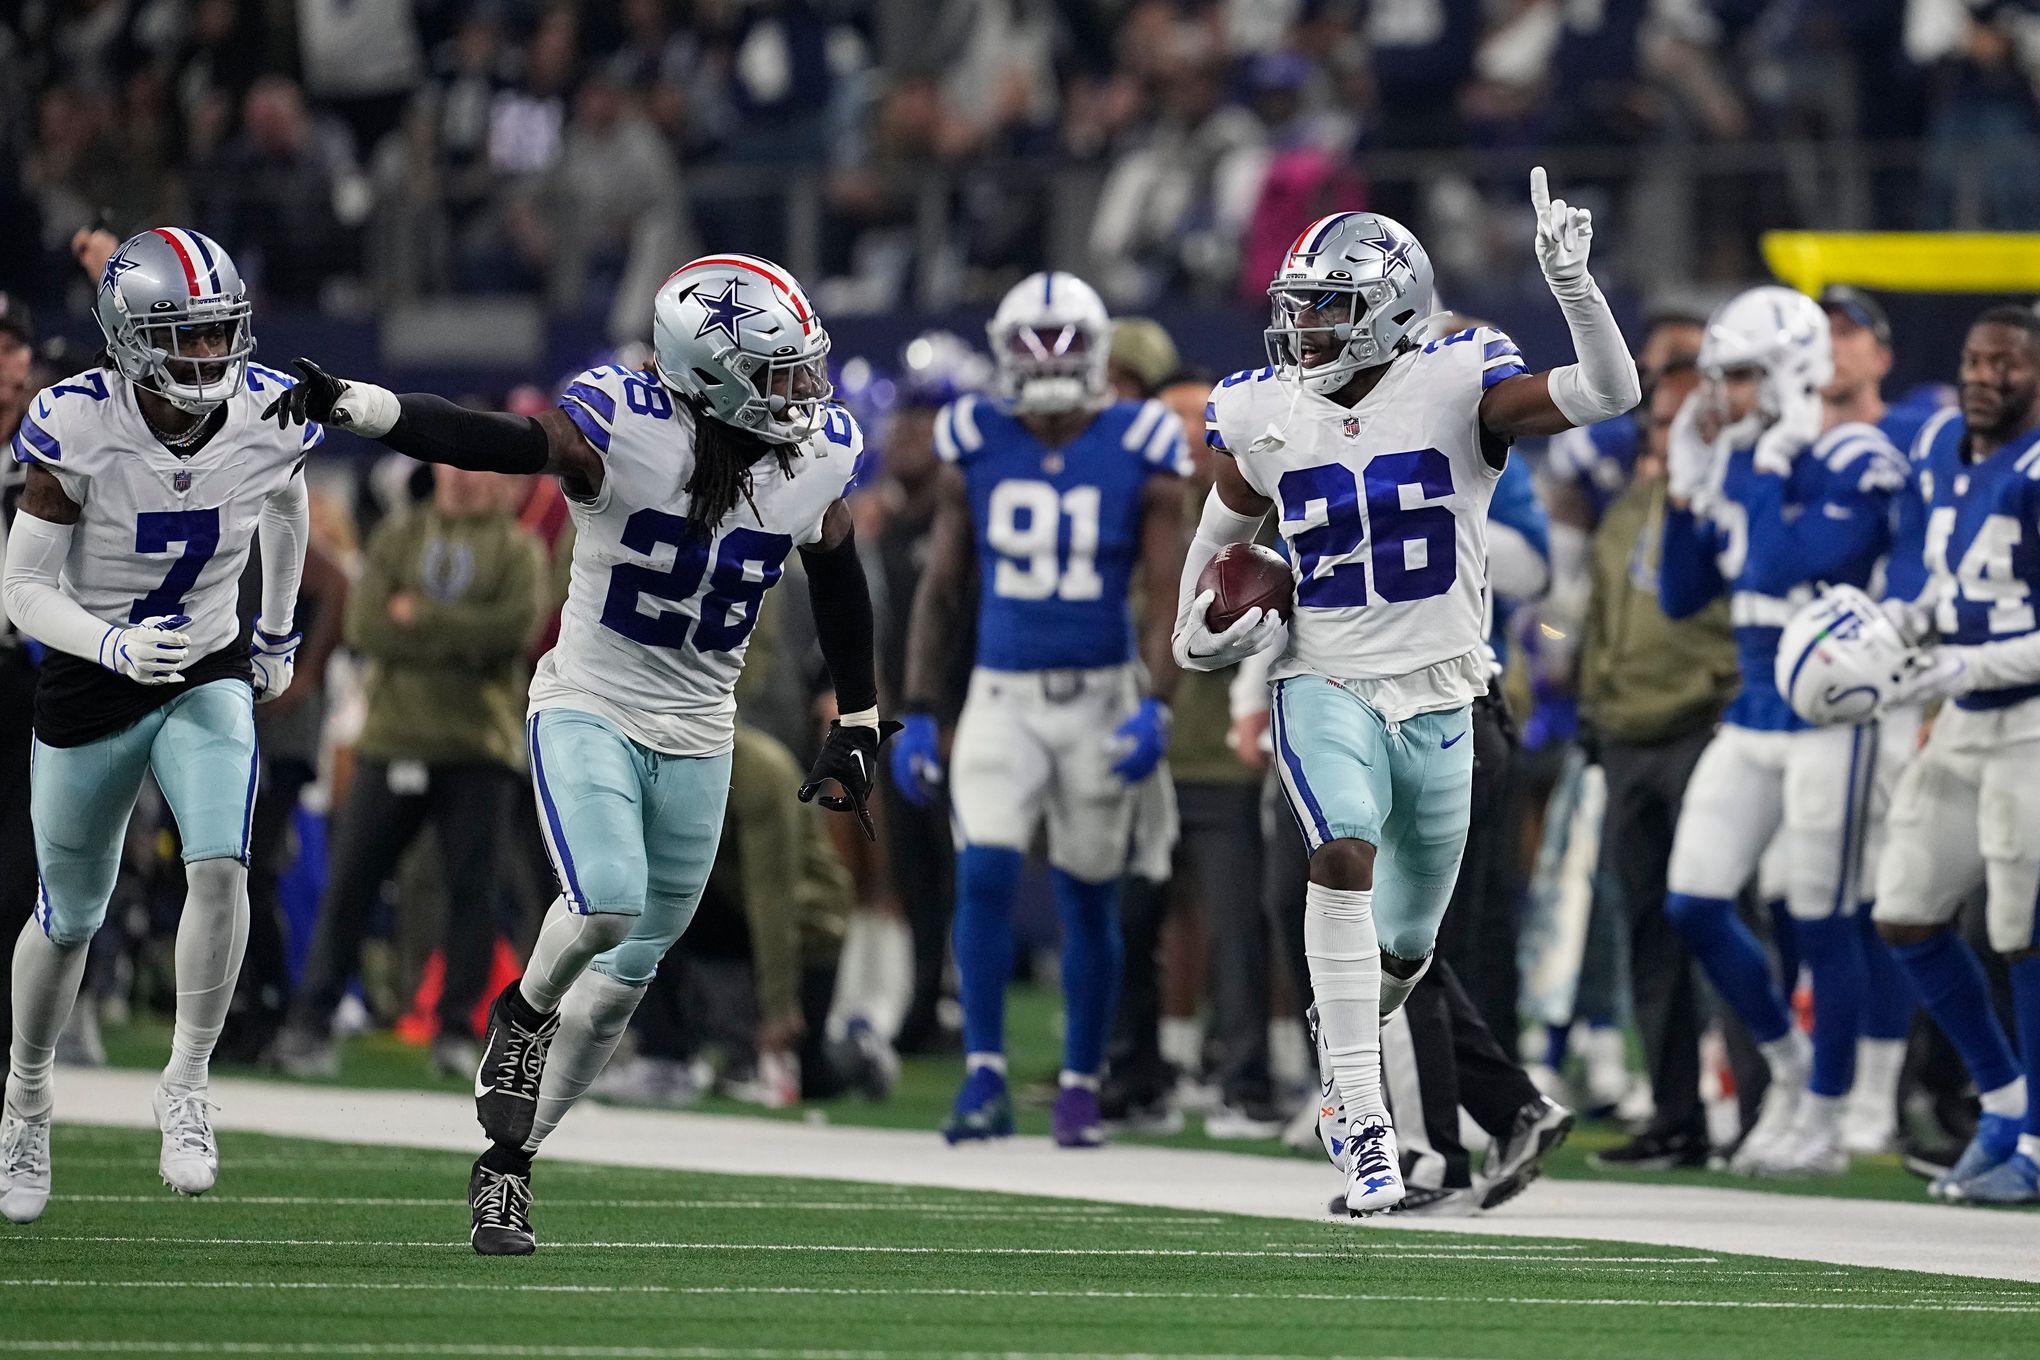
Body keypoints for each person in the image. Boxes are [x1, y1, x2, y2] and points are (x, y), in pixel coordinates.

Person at [262, 252, 894, 1255]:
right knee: (605, 900)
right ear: (709, 375)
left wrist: (858, 718)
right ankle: (520, 1010)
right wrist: (364, 406)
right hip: (593, 702)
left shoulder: (811, 457)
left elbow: (839, 568)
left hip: (702, 728)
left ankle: (507, 1167)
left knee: (627, 979)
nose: (803, 393)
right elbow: (500, 442)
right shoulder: (625, 425)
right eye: (778, 374)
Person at [1184, 171, 1641, 1216]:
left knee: (1406, 946)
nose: (1302, 327)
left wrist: (1573, 286)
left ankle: (1350, 1044)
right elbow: (1220, 542)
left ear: (1391, 307)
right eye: (1296, 305)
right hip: (1327, 676)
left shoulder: (1457, 383)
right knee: (1339, 850)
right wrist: (1194, 633)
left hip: (1445, 694)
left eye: (1329, 306)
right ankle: (1360, 1112)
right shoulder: (1265, 414)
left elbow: (1611, 394)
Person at [0, 228, 314, 1225]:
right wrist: (111, 647)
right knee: (70, 914)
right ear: (128, 338)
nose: (210, 360)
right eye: (185, 338)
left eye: (221, 335)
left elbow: (288, 501)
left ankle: (186, 1082)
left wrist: (274, 631)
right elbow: (22, 590)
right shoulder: (75, 426)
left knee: (220, 862)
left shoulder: (266, 410)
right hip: (95, 684)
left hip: (205, 666)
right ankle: (27, 1096)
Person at [890, 271, 1188, 1149]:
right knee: (982, 872)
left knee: (1089, 895)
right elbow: (942, 590)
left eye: (1064, 346)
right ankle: (983, 1074)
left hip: (1100, 693)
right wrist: (913, 705)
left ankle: (1081, 1083)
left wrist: (1157, 706)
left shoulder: (1140, 439)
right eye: (1034, 346)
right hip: (1001, 693)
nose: (1051, 365)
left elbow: (1169, 594)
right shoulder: (975, 436)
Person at [1657, 286, 1908, 1176]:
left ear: (1792, 372)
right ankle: (1793, 1071)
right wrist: (1685, 491)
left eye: (1741, 376)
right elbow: (1682, 595)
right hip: (1755, 708)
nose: (1721, 394)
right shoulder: (1742, 456)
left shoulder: (1858, 455)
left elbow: (1787, 561)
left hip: (1833, 720)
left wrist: (1760, 465)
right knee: (1692, 902)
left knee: (1824, 920)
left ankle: (1830, 1121)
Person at [272, 463, 544, 1079]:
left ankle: (455, 1028)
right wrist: (458, 639)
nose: (463, 481)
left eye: (478, 472)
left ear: (500, 483)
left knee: (474, 897)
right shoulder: (397, 535)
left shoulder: (518, 550)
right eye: (453, 468)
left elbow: (512, 634)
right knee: (350, 885)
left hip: (478, 748)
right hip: (390, 739)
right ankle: (311, 1020)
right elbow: (367, 626)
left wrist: (417, 618)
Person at [1869, 306, 2040, 1204]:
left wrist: (1964, 660)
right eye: (1975, 360)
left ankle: (2038, 1140)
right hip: (1965, 715)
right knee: (1904, 910)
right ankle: (2008, 1100)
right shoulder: (1943, 450)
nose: (1984, 376)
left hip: (2032, 722)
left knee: (2021, 930)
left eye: (2005, 364)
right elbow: (1944, 580)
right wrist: (1893, 629)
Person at [1577, 353, 1744, 1170]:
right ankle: (1676, 1114)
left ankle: (1757, 1112)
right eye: (1655, 422)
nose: (1664, 435)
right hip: (1626, 737)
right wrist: (1591, 706)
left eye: (1681, 420)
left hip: (1703, 730)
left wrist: (1728, 698)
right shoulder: (1627, 508)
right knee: (1646, 929)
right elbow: (1601, 620)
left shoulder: (1733, 501)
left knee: (1721, 922)